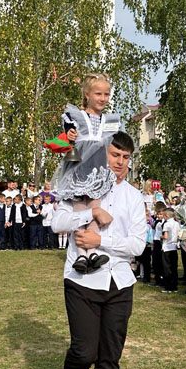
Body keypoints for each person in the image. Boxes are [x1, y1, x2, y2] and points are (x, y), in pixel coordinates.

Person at [51, 131, 145, 369]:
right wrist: (89, 213)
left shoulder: (134, 198)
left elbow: (138, 245)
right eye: (114, 155)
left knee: (109, 358)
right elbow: (57, 222)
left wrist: (101, 242)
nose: (119, 163)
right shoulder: (80, 180)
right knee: (84, 351)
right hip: (81, 282)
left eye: (125, 158)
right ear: (104, 153)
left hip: (119, 283)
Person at [52, 73, 120, 273]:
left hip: (99, 168)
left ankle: (92, 251)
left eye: (106, 94)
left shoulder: (110, 120)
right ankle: (81, 254)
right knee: (80, 211)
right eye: (98, 93)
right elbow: (66, 137)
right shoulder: (76, 116)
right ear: (87, 94)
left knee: (94, 209)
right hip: (79, 165)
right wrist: (70, 135)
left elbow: (114, 143)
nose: (102, 98)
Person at [160, 209, 181, 293]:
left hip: (167, 247)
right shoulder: (176, 223)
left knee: (167, 267)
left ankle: (168, 287)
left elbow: (165, 236)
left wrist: (160, 237)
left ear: (167, 216)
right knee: (174, 267)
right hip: (174, 246)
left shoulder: (167, 224)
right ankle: (174, 286)